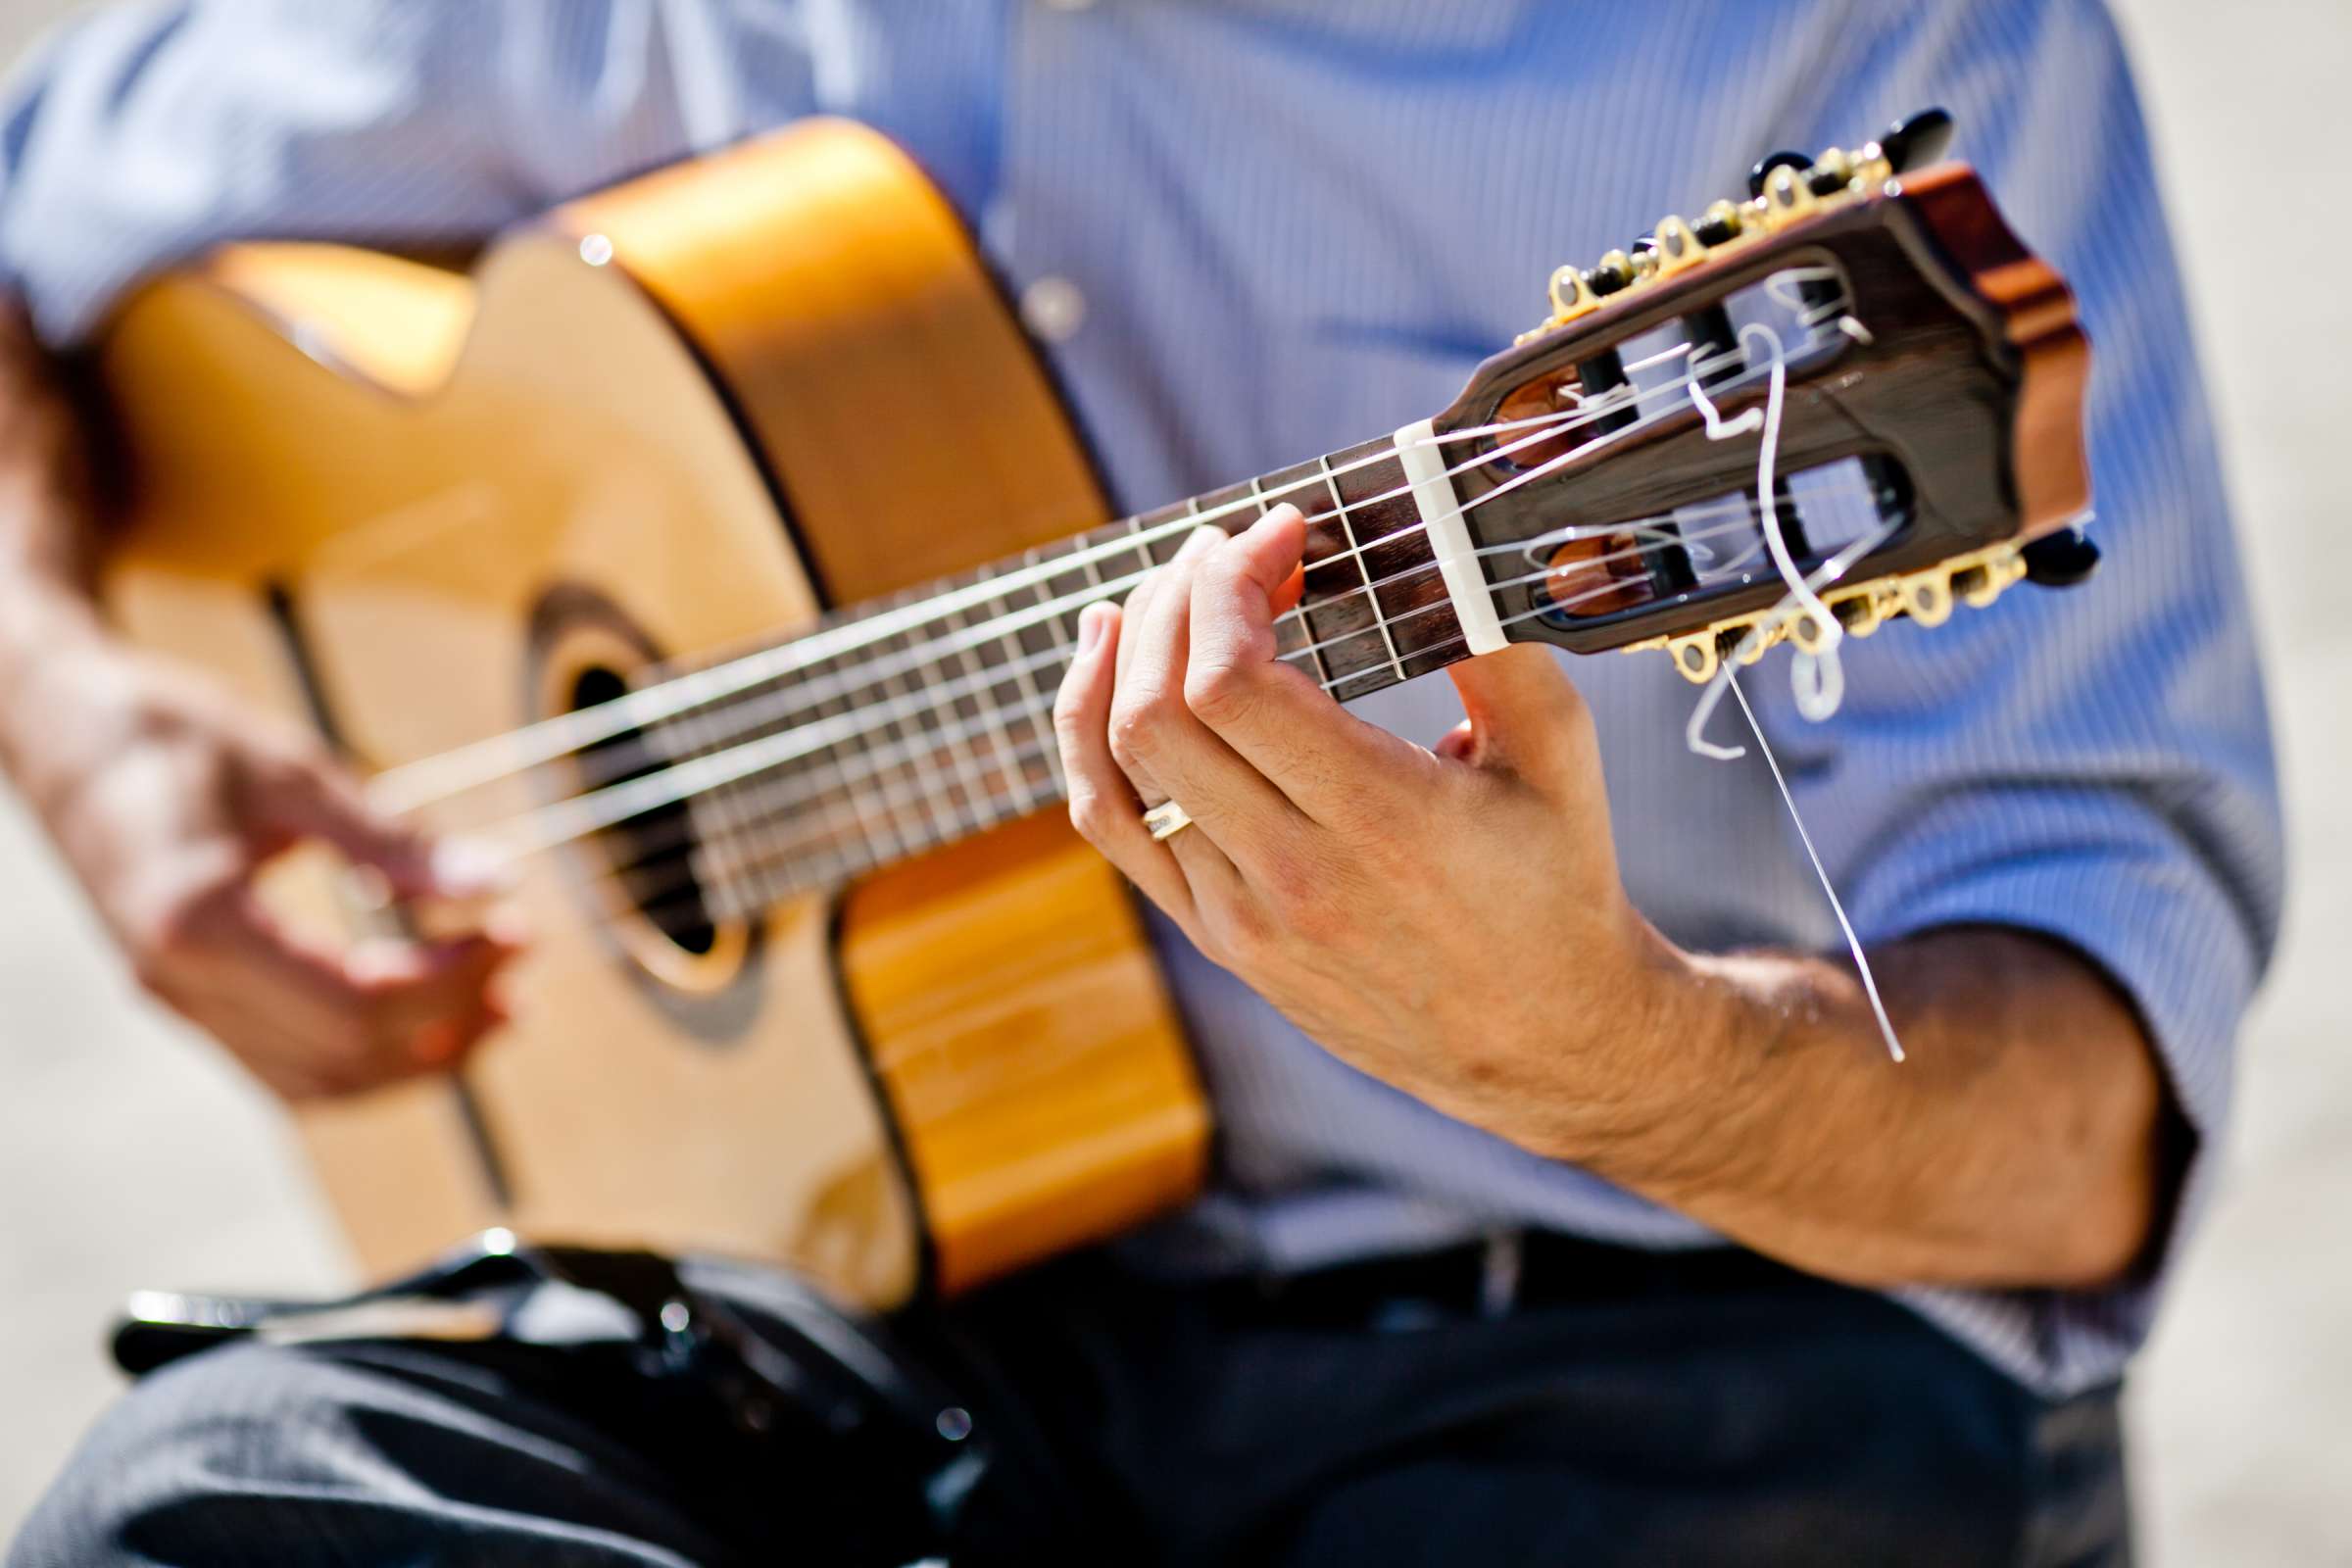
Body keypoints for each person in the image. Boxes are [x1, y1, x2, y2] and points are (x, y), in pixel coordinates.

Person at [0, 2, 2281, 1563]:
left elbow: (2080, 1139)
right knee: (206, 1507)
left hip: (1656, 1336)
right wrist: (76, 715)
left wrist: (1627, 1057)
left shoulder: (1823, 33)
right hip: (859, 1301)